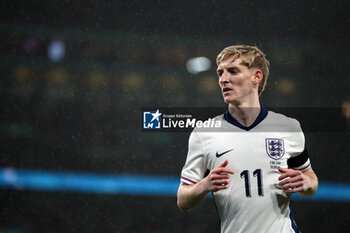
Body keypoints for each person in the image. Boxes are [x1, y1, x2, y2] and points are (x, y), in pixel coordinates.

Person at [177, 45, 318, 233]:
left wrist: (307, 184)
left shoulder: (289, 128)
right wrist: (205, 184)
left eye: (233, 71)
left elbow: (310, 179)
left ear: (256, 77)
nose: (223, 79)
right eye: (220, 73)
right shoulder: (204, 133)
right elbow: (183, 201)